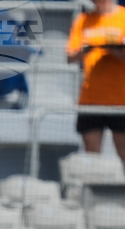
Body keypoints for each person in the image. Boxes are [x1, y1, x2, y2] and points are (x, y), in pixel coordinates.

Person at [67, 0, 125, 161]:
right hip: (91, 99)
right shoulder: (83, 19)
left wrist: (115, 50)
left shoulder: (123, 17)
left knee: (124, 151)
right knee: (91, 154)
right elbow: (70, 56)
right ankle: (91, 186)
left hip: (121, 100)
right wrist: (86, 50)